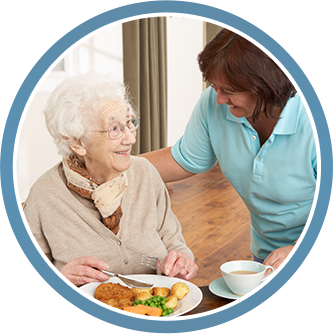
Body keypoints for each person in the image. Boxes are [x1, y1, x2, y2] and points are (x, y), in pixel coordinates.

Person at [142, 15, 316, 278]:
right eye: (214, 86)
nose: (219, 98)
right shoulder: (214, 104)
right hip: (268, 255)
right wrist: (114, 164)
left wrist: (300, 250)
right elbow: (184, 159)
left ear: (264, 86)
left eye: (230, 90)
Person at [17, 72, 198, 306]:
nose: (131, 138)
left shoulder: (145, 174)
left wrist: (181, 262)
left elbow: (175, 245)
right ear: (77, 142)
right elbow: (23, 285)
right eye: (114, 128)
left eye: (130, 122)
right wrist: (60, 284)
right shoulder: (44, 196)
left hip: (157, 315)